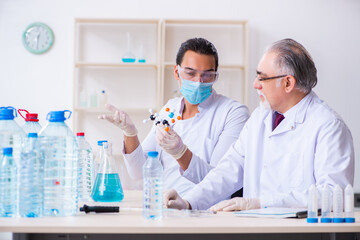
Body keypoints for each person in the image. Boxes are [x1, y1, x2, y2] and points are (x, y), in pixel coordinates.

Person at [164, 38, 354, 210]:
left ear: (288, 83)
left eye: (262, 78)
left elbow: (333, 196)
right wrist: (189, 202)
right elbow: (228, 169)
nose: (255, 84)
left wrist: (260, 203)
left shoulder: (328, 126)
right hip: (254, 228)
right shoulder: (260, 117)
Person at [99, 37, 249, 197]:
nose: (199, 82)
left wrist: (180, 153)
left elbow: (220, 181)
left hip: (206, 213)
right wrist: (130, 134)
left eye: (207, 75)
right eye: (191, 73)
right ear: (177, 72)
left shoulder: (233, 113)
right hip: (165, 206)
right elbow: (139, 173)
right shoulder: (170, 108)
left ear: (215, 75)